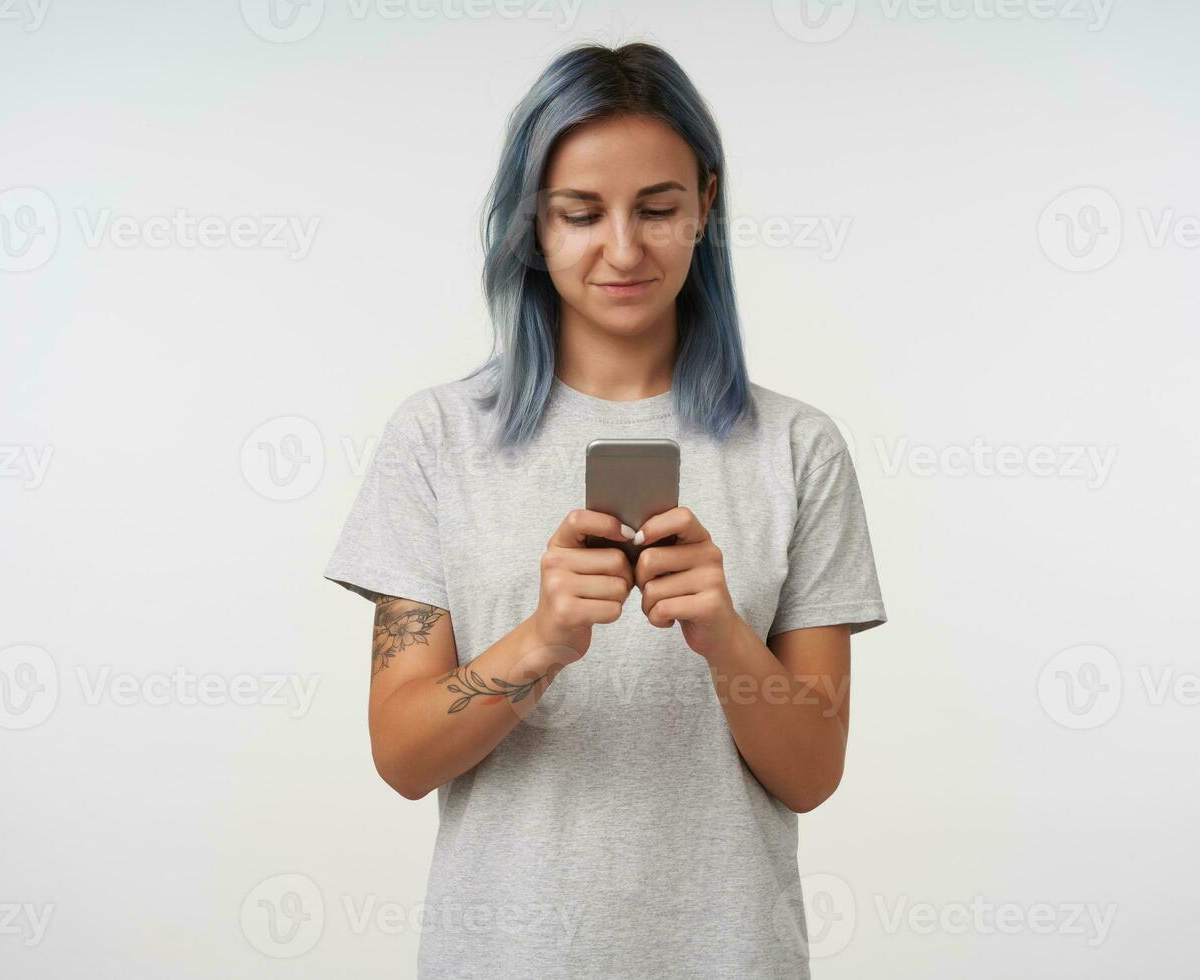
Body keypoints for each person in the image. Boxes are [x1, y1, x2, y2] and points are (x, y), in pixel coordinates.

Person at [324, 40, 887, 980]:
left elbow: (812, 772)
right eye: (580, 213)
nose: (622, 248)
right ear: (532, 226)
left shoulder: (799, 448)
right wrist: (539, 641)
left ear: (706, 203)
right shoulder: (436, 439)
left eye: (658, 209)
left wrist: (724, 636)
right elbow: (404, 754)